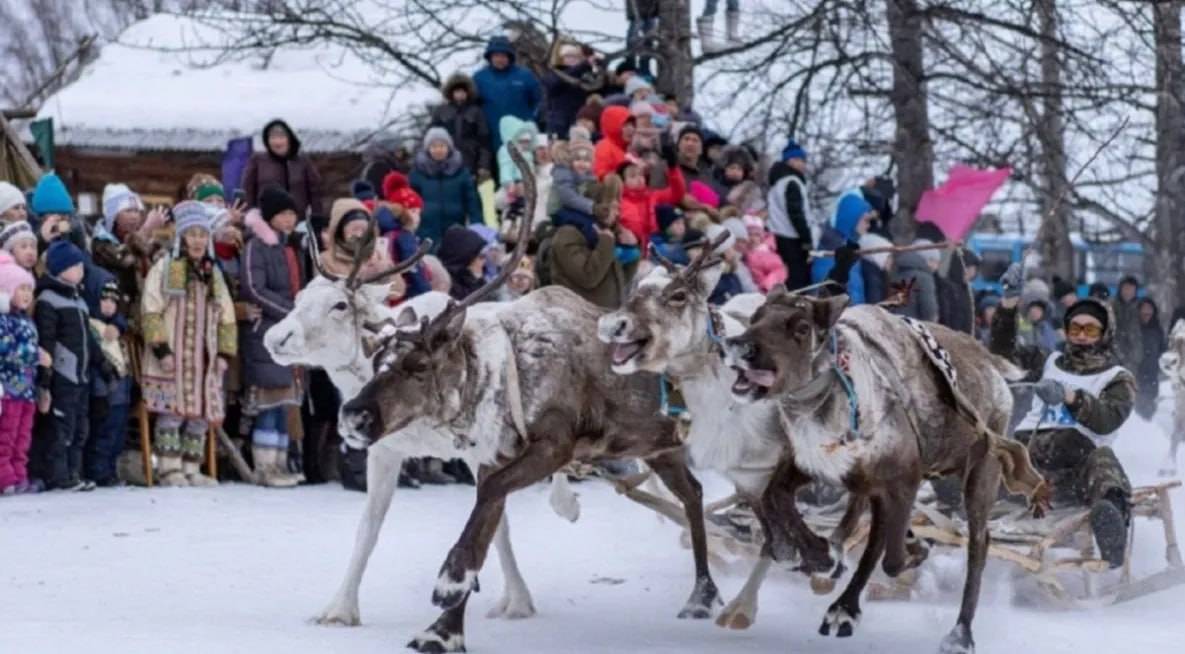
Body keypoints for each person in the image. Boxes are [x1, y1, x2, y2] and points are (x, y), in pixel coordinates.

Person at [991, 263, 1136, 568]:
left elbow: (1108, 418)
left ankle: (1111, 520)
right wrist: (1008, 305)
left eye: (1090, 329)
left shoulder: (1117, 376)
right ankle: (959, 490)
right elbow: (1004, 355)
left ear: (1103, 333)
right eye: (1075, 328)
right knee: (992, 449)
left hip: (1076, 465)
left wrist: (1071, 397)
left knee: (1104, 461)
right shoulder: (1049, 359)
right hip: (1028, 458)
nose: (1081, 336)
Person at [140, 202, 236, 487]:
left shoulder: (212, 273)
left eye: (202, 235)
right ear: (181, 237)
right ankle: (169, 468)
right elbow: (151, 309)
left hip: (202, 354)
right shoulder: (166, 267)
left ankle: (192, 467)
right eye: (192, 234)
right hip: (174, 351)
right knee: (172, 409)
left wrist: (224, 352)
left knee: (201, 411)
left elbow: (226, 314)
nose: (197, 241)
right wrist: (161, 349)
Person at [241, 188, 306, 488]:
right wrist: (290, 312)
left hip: (290, 335)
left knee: (285, 402)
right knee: (269, 402)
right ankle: (265, 467)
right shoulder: (258, 246)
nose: (289, 219)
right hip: (267, 333)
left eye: (293, 214)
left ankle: (280, 463)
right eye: (283, 214)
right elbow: (255, 288)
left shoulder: (290, 247)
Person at [34, 240, 97, 491]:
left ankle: (74, 471)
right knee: (61, 428)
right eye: (74, 265)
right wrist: (46, 378)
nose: (80, 270)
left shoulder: (79, 301)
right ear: (59, 269)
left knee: (80, 426)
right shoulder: (48, 299)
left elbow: (89, 338)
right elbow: (47, 339)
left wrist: (101, 361)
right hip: (62, 374)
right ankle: (58, 475)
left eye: (81, 265)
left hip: (81, 376)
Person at [550, 175, 633, 308]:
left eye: (619, 208)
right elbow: (588, 278)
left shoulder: (605, 235)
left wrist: (630, 250)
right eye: (613, 207)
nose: (617, 213)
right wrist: (606, 243)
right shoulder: (567, 234)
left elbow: (619, 283)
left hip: (603, 319)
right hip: (576, 318)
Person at [83, 278, 132, 487]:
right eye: (104, 300)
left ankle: (110, 469)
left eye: (113, 301)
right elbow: (95, 360)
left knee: (117, 432)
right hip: (104, 388)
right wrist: (99, 390)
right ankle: (98, 471)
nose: (109, 305)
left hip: (121, 387)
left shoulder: (115, 325)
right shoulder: (92, 325)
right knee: (103, 432)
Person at [0, 252, 38, 494]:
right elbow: (6, 349)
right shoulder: (4, 321)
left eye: (28, 289)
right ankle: (5, 477)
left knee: (22, 436)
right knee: (6, 435)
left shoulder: (26, 320)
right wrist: (34, 354)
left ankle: (19, 474)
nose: (26, 294)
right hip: (9, 388)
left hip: (27, 389)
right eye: (20, 288)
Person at [409, 128, 482, 248]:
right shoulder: (417, 173)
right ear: (428, 149)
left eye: (442, 146)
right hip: (426, 229)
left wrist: (477, 224)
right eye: (434, 146)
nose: (438, 150)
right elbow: (410, 202)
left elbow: (472, 200)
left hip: (455, 227)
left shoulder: (461, 172)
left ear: (448, 147)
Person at [473, 36, 542, 154]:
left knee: (524, 167)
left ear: (510, 57)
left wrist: (531, 120)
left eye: (503, 55)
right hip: (492, 135)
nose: (500, 59)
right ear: (490, 57)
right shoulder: (479, 78)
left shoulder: (525, 76)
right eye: (496, 55)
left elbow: (539, 100)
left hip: (522, 135)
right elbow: (473, 106)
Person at [240, 119, 323, 218]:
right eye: (273, 138)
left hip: (297, 220)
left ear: (289, 139)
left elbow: (316, 191)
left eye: (281, 137)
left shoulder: (302, 161)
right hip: (266, 222)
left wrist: (317, 218)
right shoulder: (258, 160)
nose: (277, 142)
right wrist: (250, 216)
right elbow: (247, 190)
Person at [767, 139, 813, 290]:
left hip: (778, 234)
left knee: (786, 276)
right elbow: (796, 212)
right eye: (800, 160)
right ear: (790, 161)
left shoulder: (777, 182)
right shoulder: (792, 182)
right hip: (792, 237)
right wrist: (806, 238)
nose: (803, 164)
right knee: (797, 279)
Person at [430, 72, 493, 180]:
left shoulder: (476, 111)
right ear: (450, 93)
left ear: (468, 92)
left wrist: (483, 165)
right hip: (446, 161)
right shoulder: (440, 111)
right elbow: (430, 138)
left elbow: (484, 140)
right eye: (457, 91)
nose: (460, 94)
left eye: (463, 91)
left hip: (471, 161)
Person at [812, 192, 873, 304]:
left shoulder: (849, 250)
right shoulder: (830, 256)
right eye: (865, 220)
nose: (868, 225)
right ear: (852, 219)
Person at [617, 153, 685, 252]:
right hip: (632, 248)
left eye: (641, 174)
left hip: (655, 244)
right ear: (622, 181)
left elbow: (677, 193)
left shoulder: (652, 196)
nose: (639, 178)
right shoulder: (618, 201)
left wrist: (672, 168)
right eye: (632, 176)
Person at [543, 43, 598, 139]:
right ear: (562, 58)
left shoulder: (585, 76)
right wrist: (583, 65)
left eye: (575, 56)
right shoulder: (553, 74)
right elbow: (555, 83)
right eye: (568, 56)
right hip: (557, 124)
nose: (572, 59)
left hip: (578, 123)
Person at [436, 226, 489, 301]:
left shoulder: (467, 276)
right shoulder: (445, 281)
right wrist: (476, 280)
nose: (484, 260)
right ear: (466, 257)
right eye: (481, 256)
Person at [891, 240, 941, 321]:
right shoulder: (925, 278)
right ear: (928, 260)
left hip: (895, 323)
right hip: (914, 326)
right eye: (936, 262)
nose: (936, 267)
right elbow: (929, 309)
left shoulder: (898, 272)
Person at [1137, 298, 1166, 420]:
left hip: (1152, 375)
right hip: (1136, 373)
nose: (1147, 312)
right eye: (1144, 309)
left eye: (1150, 309)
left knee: (1148, 411)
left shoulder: (1157, 329)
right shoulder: (1134, 328)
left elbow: (1163, 350)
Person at [1112, 275, 1144, 375]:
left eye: (1131, 289)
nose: (1128, 292)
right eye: (1126, 288)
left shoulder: (1141, 307)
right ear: (1120, 289)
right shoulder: (1111, 306)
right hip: (1114, 356)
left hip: (1134, 358)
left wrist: (1137, 355)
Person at [593, 105, 632, 179]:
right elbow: (600, 176)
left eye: (632, 125)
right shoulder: (604, 147)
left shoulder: (627, 147)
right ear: (613, 126)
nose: (631, 129)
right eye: (625, 125)